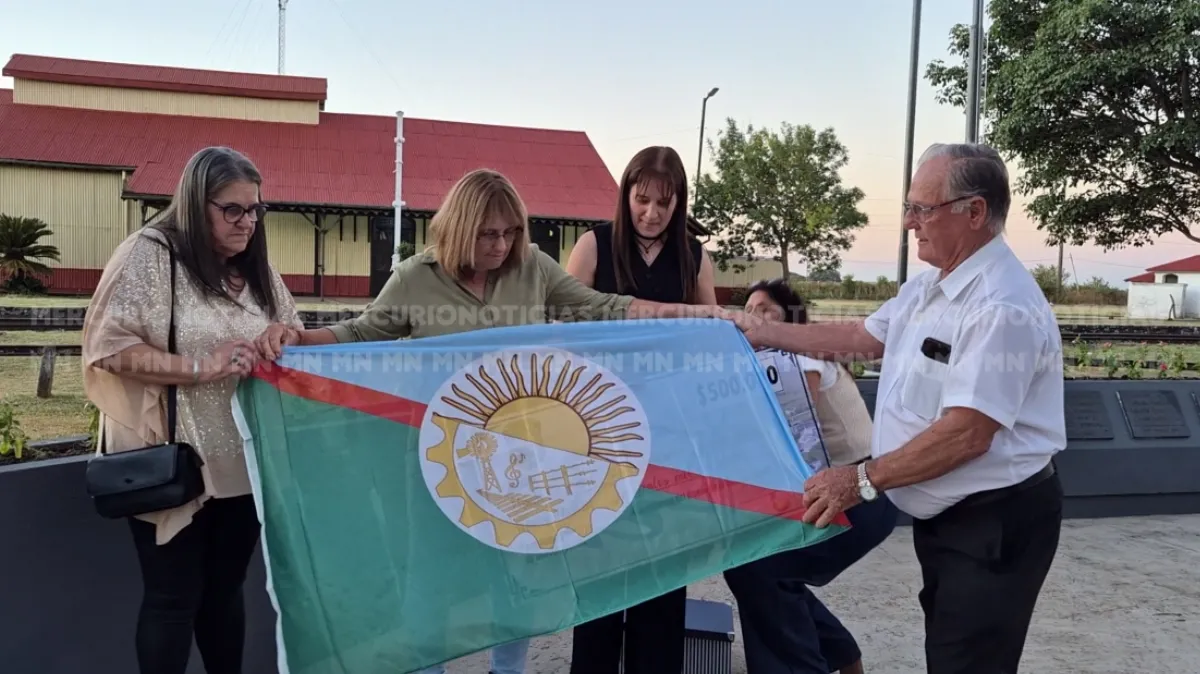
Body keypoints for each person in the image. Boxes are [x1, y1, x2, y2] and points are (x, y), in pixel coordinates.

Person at [254, 167, 731, 674]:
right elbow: (363, 331)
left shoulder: (535, 269)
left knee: (516, 578)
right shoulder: (415, 277)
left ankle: (508, 670)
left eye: (511, 232)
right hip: (436, 456)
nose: (502, 245)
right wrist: (298, 339)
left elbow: (604, 307)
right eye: (489, 234)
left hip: (519, 456)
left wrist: (698, 315)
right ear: (460, 228)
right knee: (429, 580)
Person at [739, 143, 1065, 674]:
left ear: (974, 212)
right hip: (951, 517)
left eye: (922, 209)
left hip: (995, 520)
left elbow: (967, 434)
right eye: (909, 209)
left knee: (966, 662)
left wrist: (862, 479)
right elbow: (860, 336)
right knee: (950, 651)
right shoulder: (929, 288)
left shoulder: (1000, 306)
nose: (910, 223)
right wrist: (761, 332)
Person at [81, 146, 302, 674]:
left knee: (224, 594)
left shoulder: (256, 270)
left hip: (244, 463)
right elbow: (107, 349)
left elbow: (292, 328)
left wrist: (282, 335)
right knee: (172, 600)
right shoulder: (150, 254)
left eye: (254, 210)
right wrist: (202, 366)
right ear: (194, 204)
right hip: (175, 457)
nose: (247, 222)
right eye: (232, 209)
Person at [562, 145, 715, 674]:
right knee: (602, 574)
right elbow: (559, 325)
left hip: (669, 436)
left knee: (663, 576)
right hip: (598, 433)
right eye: (642, 199)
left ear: (679, 205)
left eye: (664, 204)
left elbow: (708, 338)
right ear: (625, 194)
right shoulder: (593, 246)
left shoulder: (695, 257)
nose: (651, 213)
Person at [723, 279, 898, 674]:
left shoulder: (802, 356)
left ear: (791, 318)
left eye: (765, 310)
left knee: (760, 568)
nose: (754, 318)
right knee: (764, 569)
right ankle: (840, 654)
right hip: (841, 491)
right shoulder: (770, 362)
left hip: (864, 493)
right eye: (749, 310)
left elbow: (796, 430)